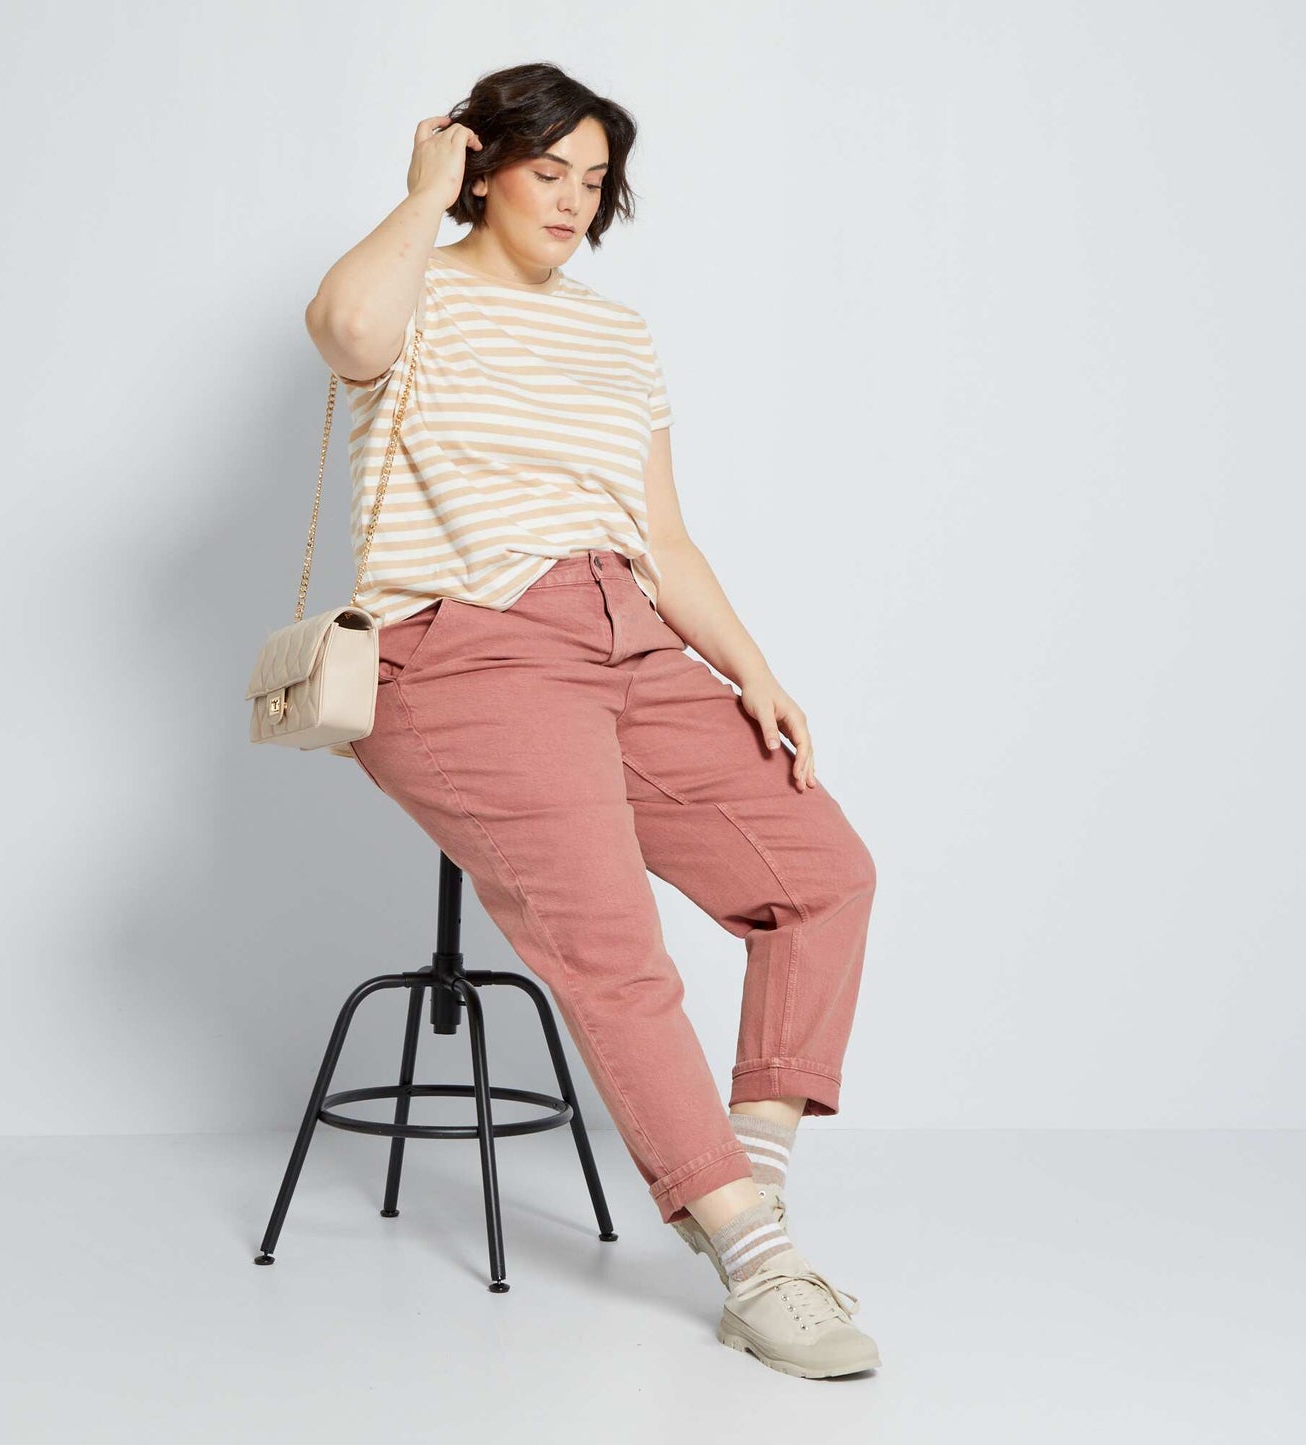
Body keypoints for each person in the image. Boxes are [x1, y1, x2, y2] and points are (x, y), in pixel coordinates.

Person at [304, 61, 881, 1379]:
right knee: (617, 950)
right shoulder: (413, 286)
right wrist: (423, 194)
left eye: (595, 179)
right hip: (465, 648)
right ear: (483, 168)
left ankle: (745, 1174)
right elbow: (342, 333)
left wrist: (751, 668)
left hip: (628, 636)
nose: (572, 199)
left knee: (819, 872)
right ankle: (756, 1263)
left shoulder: (617, 333)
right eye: (546, 169)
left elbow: (661, 533)